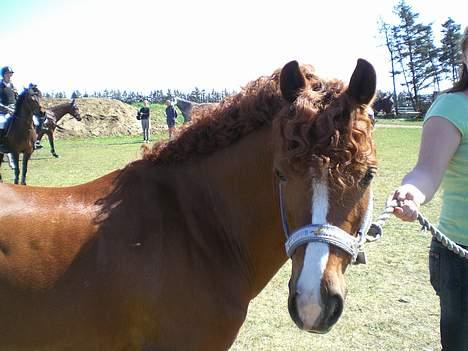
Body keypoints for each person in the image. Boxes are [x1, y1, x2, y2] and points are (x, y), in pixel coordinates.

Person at [391, 26, 468, 351]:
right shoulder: (452, 107)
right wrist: (413, 191)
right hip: (461, 258)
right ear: (465, 56)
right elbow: (427, 171)